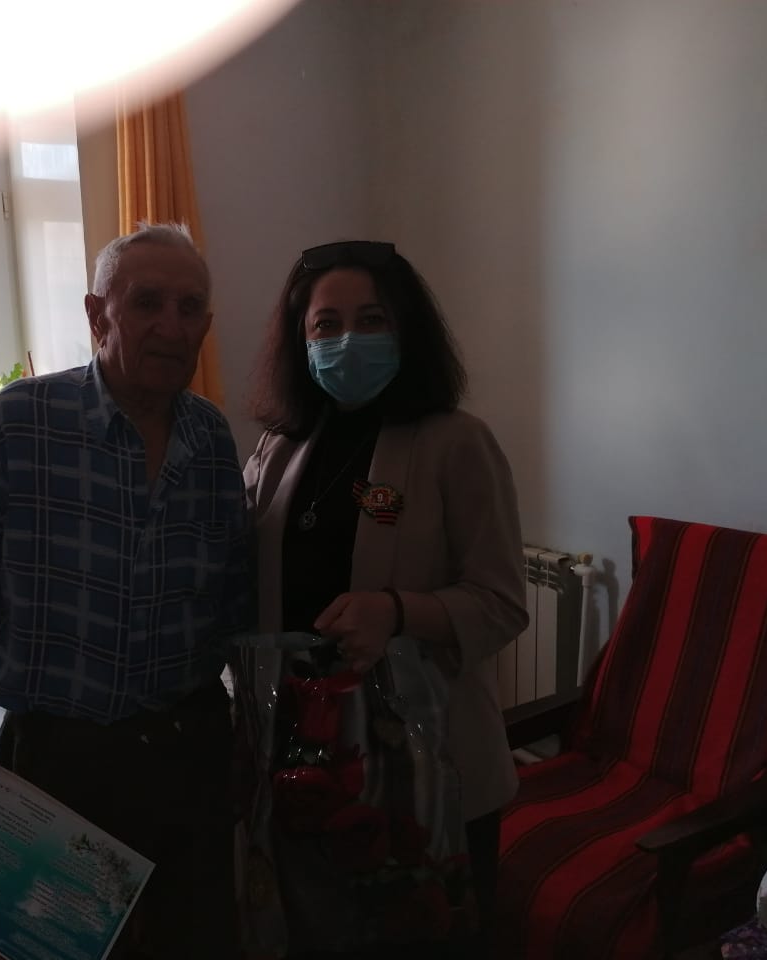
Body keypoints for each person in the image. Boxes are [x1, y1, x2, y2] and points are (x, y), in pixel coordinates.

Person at [0, 222, 251, 960]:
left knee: (199, 943)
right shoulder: (22, 423)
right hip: (63, 764)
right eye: (147, 303)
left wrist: (247, 736)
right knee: (64, 949)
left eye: (189, 308)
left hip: (188, 749)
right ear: (99, 315)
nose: (172, 327)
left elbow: (234, 605)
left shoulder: (212, 440)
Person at [234, 240, 528, 959]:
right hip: (305, 762)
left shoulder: (458, 443)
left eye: (371, 320)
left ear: (406, 329)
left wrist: (396, 610)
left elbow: (501, 602)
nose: (347, 340)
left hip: (428, 769)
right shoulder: (280, 447)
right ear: (301, 341)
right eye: (326, 325)